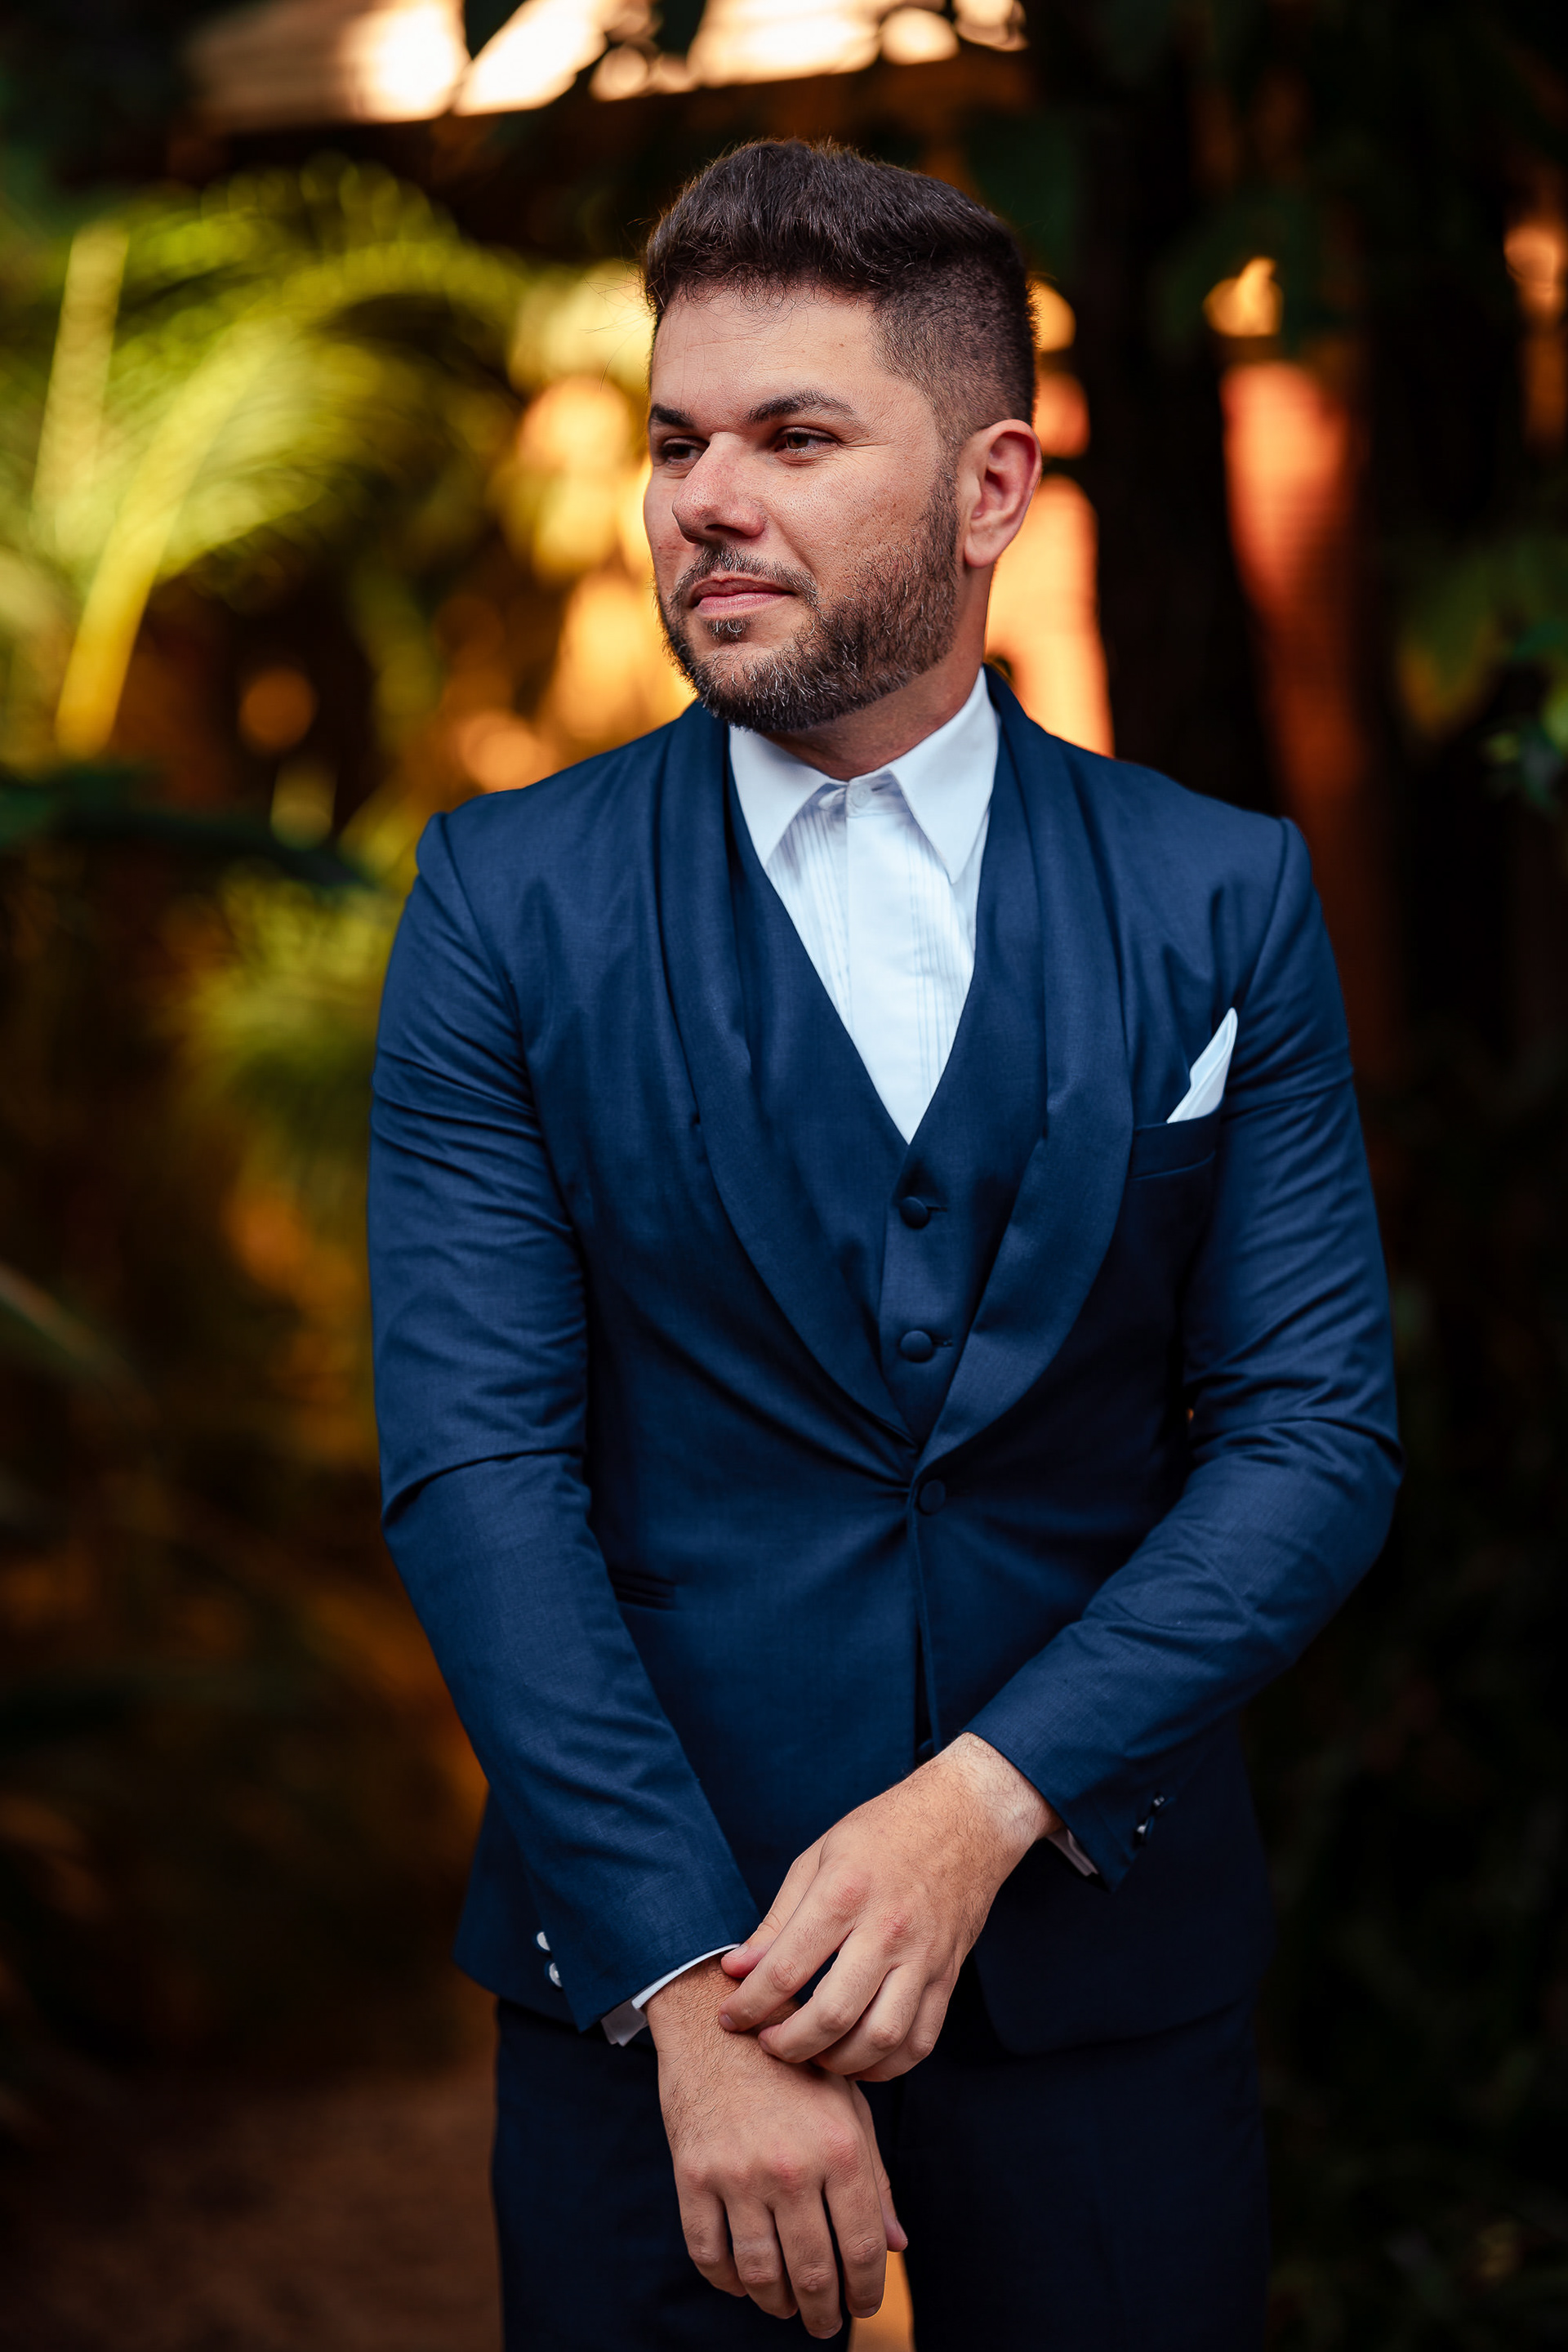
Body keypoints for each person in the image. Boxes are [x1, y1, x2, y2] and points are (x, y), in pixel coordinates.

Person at [368, 140, 1400, 2350]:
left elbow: (1311, 1440)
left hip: (1101, 1976)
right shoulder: (503, 906)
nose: (705, 503)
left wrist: (979, 1811)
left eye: (795, 437)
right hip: (653, 1991)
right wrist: (687, 1981)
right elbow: (478, 1473)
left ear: (991, 485)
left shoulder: (1218, 896)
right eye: (678, 444)